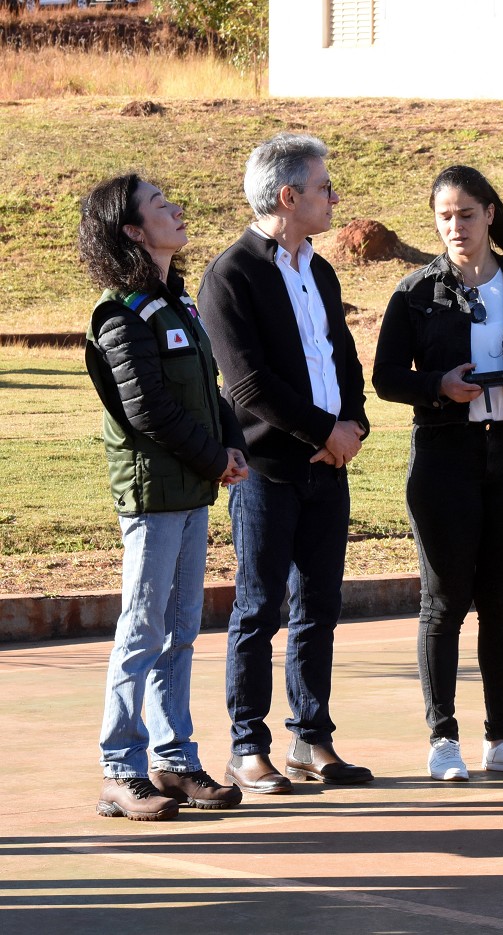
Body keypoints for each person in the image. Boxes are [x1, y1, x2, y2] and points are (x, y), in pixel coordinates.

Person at [373, 166, 503, 781]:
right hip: (445, 458)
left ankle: (502, 737)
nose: (456, 227)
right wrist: (439, 385)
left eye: (466, 214)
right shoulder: (416, 293)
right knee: (443, 602)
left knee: (502, 602)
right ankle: (443, 739)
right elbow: (386, 378)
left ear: (490, 214)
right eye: (445, 217)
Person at [198, 134, 374, 792]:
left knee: (318, 608)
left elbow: (342, 357)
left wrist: (352, 426)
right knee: (258, 608)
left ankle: (311, 739)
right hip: (268, 471)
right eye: (324, 186)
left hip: (329, 466)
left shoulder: (319, 270)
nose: (335, 197)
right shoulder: (230, 275)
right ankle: (248, 746)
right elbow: (247, 385)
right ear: (288, 196)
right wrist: (323, 431)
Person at [80, 174, 249, 820]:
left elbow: (210, 389)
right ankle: (121, 769)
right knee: (142, 630)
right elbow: (147, 409)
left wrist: (232, 445)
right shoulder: (120, 314)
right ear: (132, 231)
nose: (175, 210)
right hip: (152, 496)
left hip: (190, 489)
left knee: (179, 630)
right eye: (158, 206)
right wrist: (214, 458)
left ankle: (174, 760)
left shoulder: (176, 303)